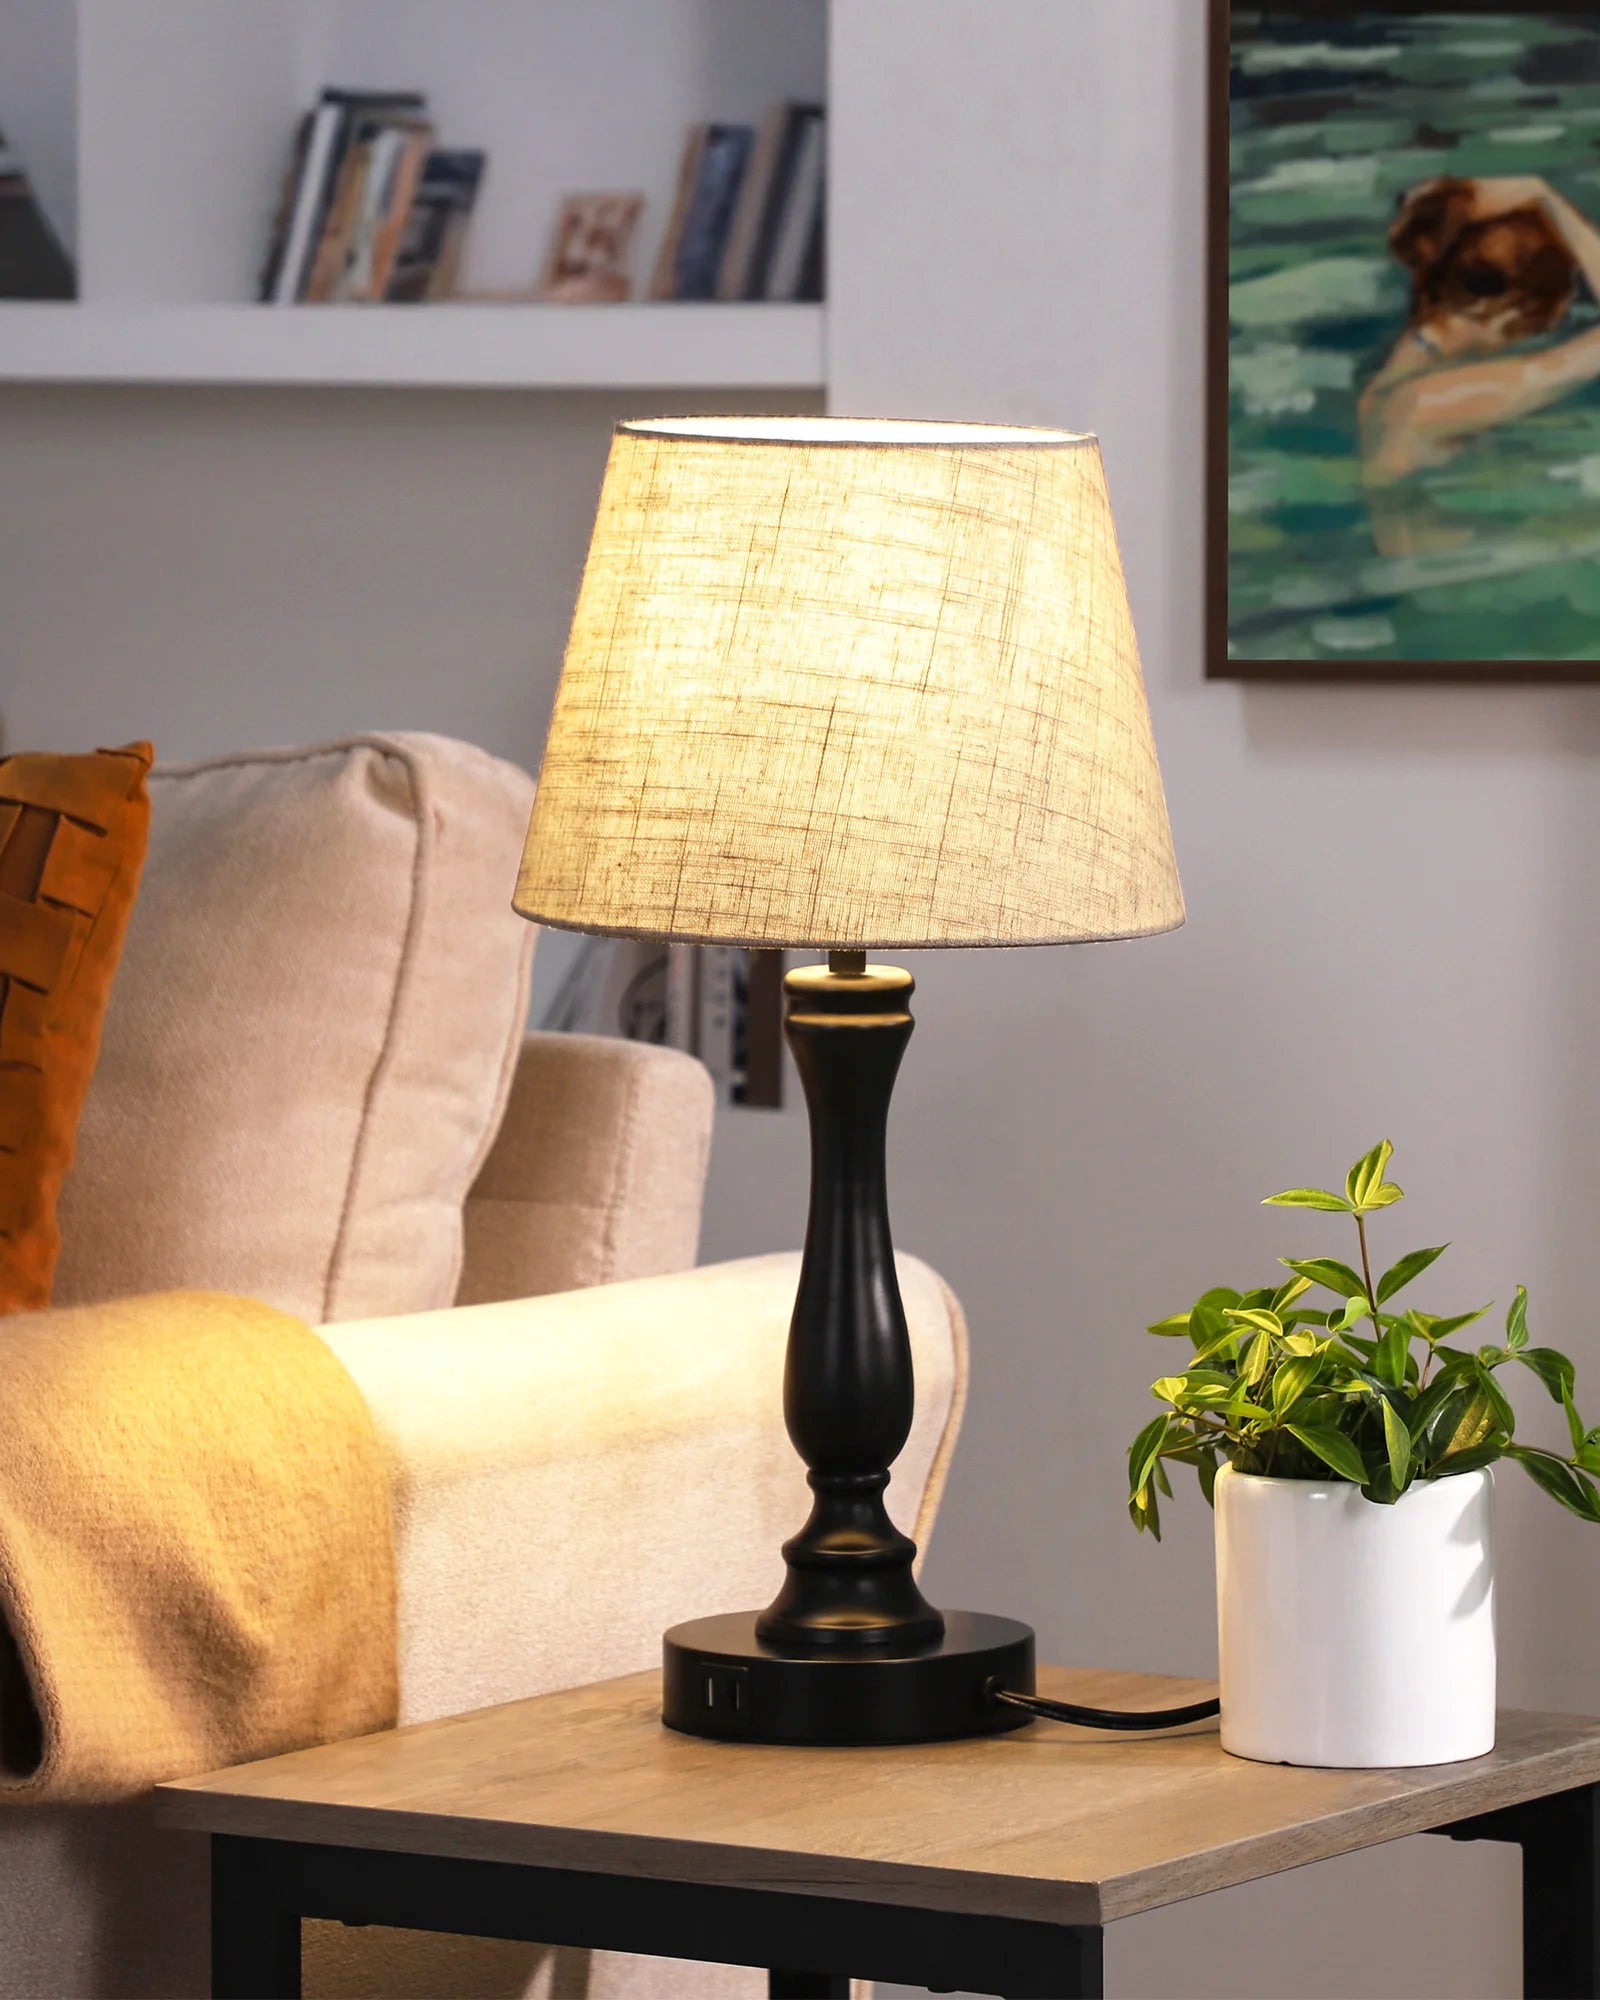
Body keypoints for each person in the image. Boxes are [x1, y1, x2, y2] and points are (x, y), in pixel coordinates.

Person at [1359, 174, 1600, 490]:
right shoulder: (1433, 402)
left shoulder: (1393, 380)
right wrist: (1545, 196)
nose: (1524, 338)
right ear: (1504, 312)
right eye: (1534, 325)